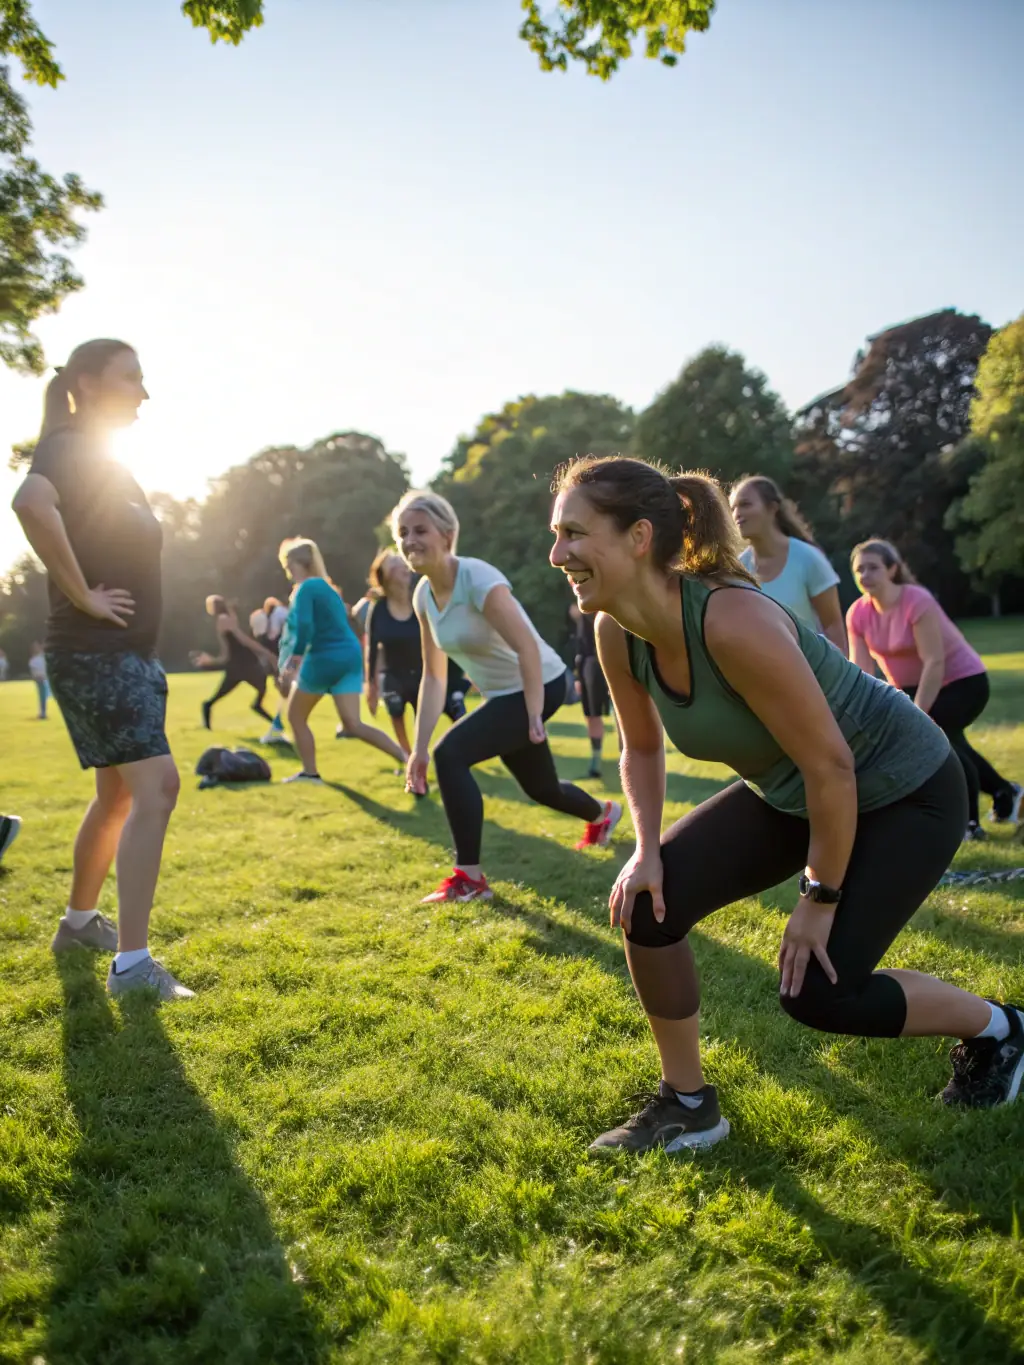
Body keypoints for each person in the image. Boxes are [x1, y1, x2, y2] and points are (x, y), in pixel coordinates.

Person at [547, 455, 1023, 1154]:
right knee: (650, 903)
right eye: (557, 535)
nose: (558, 554)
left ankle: (1001, 1028)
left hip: (907, 787)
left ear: (639, 536)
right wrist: (645, 851)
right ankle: (689, 1105)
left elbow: (832, 764)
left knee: (821, 993)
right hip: (794, 790)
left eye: (574, 534)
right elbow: (641, 748)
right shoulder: (615, 631)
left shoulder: (731, 620)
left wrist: (818, 896)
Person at [11, 339, 192, 1002]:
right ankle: (133, 965)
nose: (143, 391)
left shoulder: (103, 460)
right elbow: (30, 503)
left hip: (116, 656)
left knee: (117, 795)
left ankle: (79, 924)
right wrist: (84, 593)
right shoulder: (71, 445)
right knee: (158, 788)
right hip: (97, 654)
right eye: (131, 378)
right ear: (87, 384)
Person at [394, 490, 621, 904]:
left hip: (541, 684)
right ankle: (603, 815)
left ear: (447, 534)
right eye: (403, 532)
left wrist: (533, 713)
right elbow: (434, 675)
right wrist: (418, 748)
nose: (410, 540)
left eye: (420, 530)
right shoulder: (423, 596)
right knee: (541, 788)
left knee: (452, 755)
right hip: (504, 694)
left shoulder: (477, 577)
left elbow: (526, 647)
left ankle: (469, 879)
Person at [847, 539, 1021, 839]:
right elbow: (862, 671)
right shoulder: (858, 614)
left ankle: (969, 824)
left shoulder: (916, 600)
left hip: (962, 683)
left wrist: (919, 713)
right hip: (913, 689)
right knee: (951, 742)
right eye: (859, 569)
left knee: (942, 743)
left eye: (873, 567)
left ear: (892, 569)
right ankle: (1006, 793)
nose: (865, 575)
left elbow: (934, 661)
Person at [277, 537, 407, 783]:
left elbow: (305, 626)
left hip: (324, 657)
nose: (287, 571)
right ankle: (406, 759)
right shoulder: (328, 587)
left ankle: (310, 772)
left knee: (295, 717)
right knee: (353, 724)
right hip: (349, 656)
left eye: (288, 565)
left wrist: (292, 665)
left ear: (297, 563)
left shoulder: (305, 588)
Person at [364, 547, 469, 757]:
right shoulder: (379, 609)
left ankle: (462, 751)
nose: (402, 566)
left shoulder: (423, 598)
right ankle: (407, 754)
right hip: (396, 674)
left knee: (456, 711)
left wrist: (465, 669)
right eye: (394, 564)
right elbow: (373, 648)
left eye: (402, 563)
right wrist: (371, 685)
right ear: (384, 577)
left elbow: (446, 636)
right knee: (393, 702)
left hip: (428, 672)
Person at [730, 475, 847, 653]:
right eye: (733, 508)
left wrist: (839, 679)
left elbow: (833, 626)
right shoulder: (738, 569)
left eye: (745, 504)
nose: (737, 514)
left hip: (813, 673)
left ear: (772, 508)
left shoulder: (808, 558)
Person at [193, 595, 277, 730]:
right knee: (260, 683)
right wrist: (266, 653)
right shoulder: (224, 618)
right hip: (242, 663)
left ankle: (208, 707)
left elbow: (227, 651)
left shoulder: (223, 619)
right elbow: (242, 640)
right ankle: (257, 706)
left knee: (257, 684)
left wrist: (211, 661)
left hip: (238, 664)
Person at [569, 601, 618, 778]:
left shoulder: (598, 598)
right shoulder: (580, 596)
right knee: (591, 714)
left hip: (603, 659)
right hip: (585, 661)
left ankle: (627, 756)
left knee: (620, 711)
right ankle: (596, 760)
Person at [251, 597, 291, 745]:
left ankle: (277, 725)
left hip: (273, 654)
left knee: (282, 688)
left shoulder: (260, 617)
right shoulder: (281, 612)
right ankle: (277, 725)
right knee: (284, 689)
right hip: (281, 653)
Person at [28, 641, 49, 719]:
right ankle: (43, 713)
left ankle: (43, 713)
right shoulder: (33, 659)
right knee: (43, 696)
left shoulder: (42, 657)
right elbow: (34, 672)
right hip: (40, 679)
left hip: (45, 678)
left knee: (45, 696)